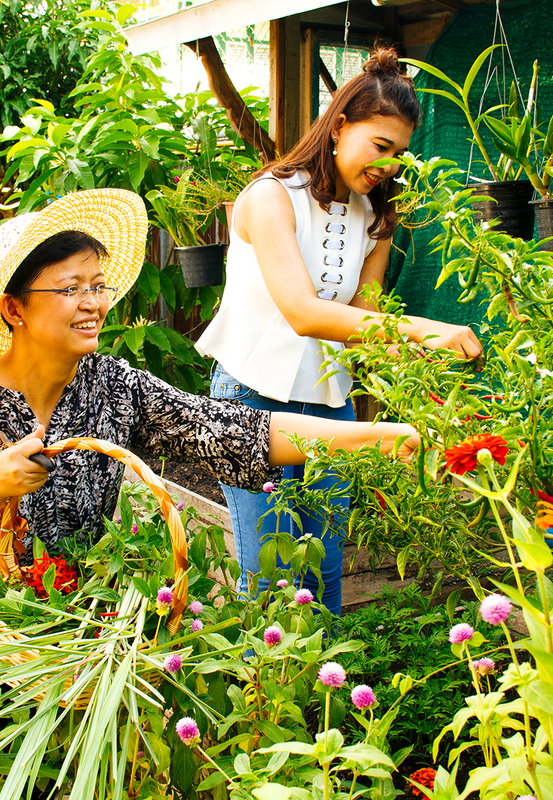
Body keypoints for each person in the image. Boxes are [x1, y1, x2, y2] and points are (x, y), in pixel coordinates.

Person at [0, 188, 423, 699]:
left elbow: (235, 431)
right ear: (14, 308)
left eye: (98, 285)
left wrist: (374, 437)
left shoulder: (109, 387)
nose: (93, 303)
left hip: (47, 655)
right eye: (70, 289)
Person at [195, 49, 483, 616]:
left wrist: (420, 374)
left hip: (330, 402)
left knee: (326, 570)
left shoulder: (377, 216)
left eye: (400, 154)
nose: (390, 166)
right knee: (271, 574)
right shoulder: (269, 197)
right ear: (340, 124)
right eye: (381, 147)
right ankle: (268, 698)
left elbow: (361, 318)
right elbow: (304, 312)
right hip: (252, 402)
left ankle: (326, 699)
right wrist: (427, 331)